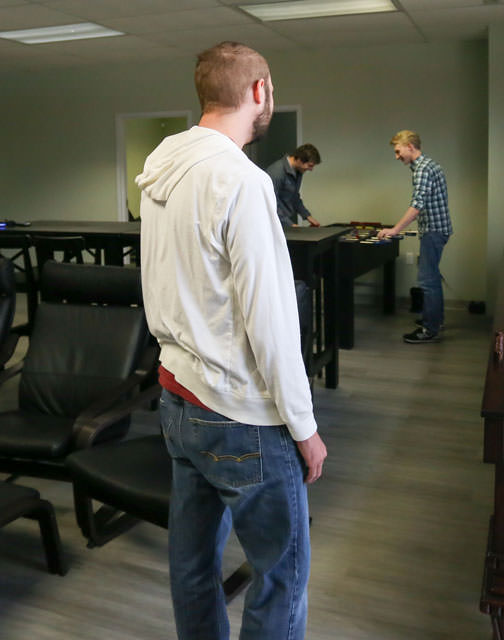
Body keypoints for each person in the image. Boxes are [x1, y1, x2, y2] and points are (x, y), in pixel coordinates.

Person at [136, 41, 327, 640]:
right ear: (260, 92)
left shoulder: (160, 169)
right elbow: (270, 323)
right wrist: (304, 426)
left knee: (191, 567)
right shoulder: (240, 180)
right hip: (238, 412)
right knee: (282, 574)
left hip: (178, 399)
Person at [377, 130, 452, 344]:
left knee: (427, 281)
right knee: (432, 278)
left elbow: (417, 205)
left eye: (398, 151)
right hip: (438, 229)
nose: (396, 156)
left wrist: (395, 230)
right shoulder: (428, 165)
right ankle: (435, 321)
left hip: (434, 231)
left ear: (410, 146)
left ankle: (430, 330)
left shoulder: (422, 169)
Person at [266, 143, 322, 228]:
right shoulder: (276, 172)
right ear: (299, 160)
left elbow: (294, 197)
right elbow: (270, 203)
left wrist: (308, 216)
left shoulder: (298, 171)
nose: (311, 169)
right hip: (274, 224)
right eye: (310, 166)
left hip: (284, 222)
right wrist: (290, 224)